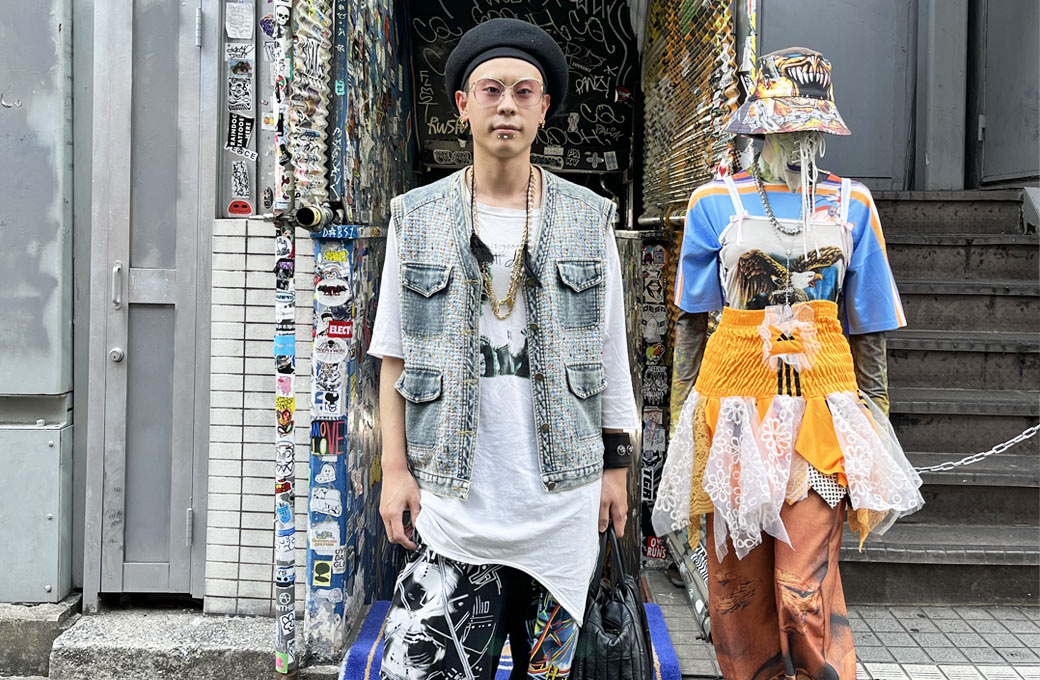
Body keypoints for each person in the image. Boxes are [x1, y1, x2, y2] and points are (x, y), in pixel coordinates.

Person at [369, 18, 639, 680]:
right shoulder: (416, 217)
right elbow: (394, 356)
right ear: (463, 106)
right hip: (451, 504)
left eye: (524, 92)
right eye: (491, 91)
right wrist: (395, 471)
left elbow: (611, 354)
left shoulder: (588, 217)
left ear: (544, 109)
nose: (507, 107)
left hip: (562, 506)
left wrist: (616, 468)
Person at [652, 48, 925, 679]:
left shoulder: (852, 203)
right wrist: (681, 420)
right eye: (785, 126)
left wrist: (875, 418)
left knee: (802, 588)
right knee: (736, 591)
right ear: (759, 127)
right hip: (732, 410)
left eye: (807, 126)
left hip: (823, 411)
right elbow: (691, 321)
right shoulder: (714, 201)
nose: (797, 139)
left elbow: (870, 325)